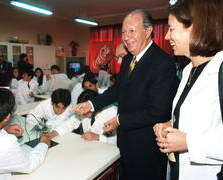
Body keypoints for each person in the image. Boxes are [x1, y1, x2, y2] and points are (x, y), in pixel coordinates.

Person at [72, 9, 178, 179]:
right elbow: (118, 89)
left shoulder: (162, 63)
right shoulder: (129, 58)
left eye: (132, 31)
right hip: (125, 143)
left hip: (147, 148)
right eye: (123, 32)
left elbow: (157, 111)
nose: (126, 37)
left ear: (149, 31)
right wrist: (92, 104)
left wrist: (120, 120)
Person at [153, 0, 223, 179]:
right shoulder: (187, 71)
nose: (167, 36)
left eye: (171, 29)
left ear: (196, 28)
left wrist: (188, 142)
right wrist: (172, 125)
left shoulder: (220, 70)